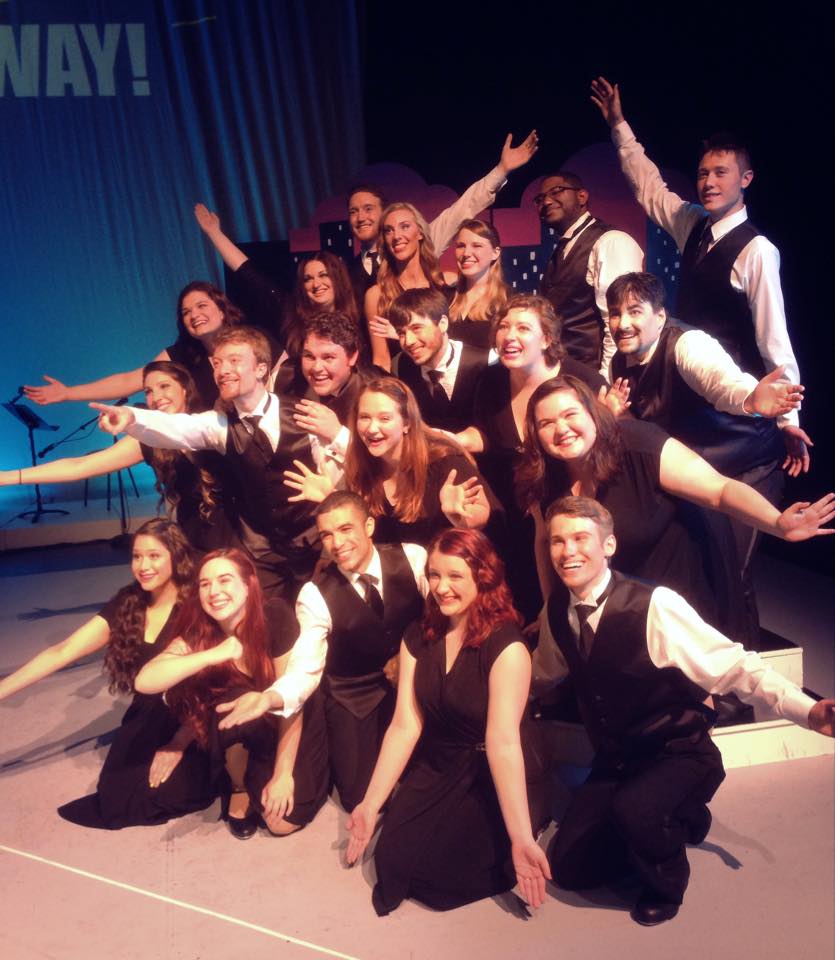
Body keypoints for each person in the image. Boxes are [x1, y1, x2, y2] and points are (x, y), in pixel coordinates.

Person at [533, 496, 835, 925]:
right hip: (618, 759)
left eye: (581, 538)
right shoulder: (556, 613)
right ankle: (674, 815)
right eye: (557, 541)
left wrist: (808, 711)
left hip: (677, 751)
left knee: (635, 813)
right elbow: (543, 672)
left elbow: (736, 667)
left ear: (609, 545)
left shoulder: (655, 605)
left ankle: (668, 879)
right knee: (570, 869)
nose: (568, 551)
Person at [590, 76, 811, 474]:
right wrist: (619, 126)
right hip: (683, 385)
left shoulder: (757, 250)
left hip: (732, 407)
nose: (709, 182)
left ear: (745, 179)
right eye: (703, 173)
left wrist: (787, 419)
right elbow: (649, 188)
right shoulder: (693, 224)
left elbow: (774, 339)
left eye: (721, 173)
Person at [516, 376, 834, 635]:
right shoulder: (545, 479)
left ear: (592, 414)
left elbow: (719, 489)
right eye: (546, 423)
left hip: (682, 613)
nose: (561, 429)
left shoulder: (638, 445)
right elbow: (544, 543)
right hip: (615, 618)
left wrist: (777, 523)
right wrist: (551, 612)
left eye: (570, 415)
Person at [345, 528, 551, 915]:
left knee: (438, 878)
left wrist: (520, 837)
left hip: (495, 767)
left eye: (455, 576)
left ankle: (533, 821)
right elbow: (405, 725)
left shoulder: (508, 647)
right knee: (393, 863)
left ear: (482, 577)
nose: (441, 587)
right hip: (441, 760)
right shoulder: (417, 636)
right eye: (435, 575)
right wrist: (371, 804)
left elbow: (504, 743)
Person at [606, 271, 803, 644]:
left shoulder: (688, 345)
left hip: (745, 465)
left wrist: (751, 398)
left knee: (731, 572)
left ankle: (743, 664)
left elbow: (722, 383)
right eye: (615, 313)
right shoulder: (620, 362)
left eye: (634, 311)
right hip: (699, 472)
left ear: (660, 315)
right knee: (698, 571)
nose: (623, 323)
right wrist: (618, 415)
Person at [91, 326, 343, 601]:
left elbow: (341, 473)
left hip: (313, 543)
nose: (223, 370)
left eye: (234, 360)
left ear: (261, 369)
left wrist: (331, 476)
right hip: (262, 550)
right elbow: (178, 427)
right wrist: (130, 417)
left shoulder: (304, 415)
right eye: (218, 363)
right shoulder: (220, 425)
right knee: (259, 618)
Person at [214, 491, 428, 813]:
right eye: (327, 535)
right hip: (354, 695)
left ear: (369, 526)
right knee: (357, 796)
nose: (337, 543)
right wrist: (270, 697)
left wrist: (411, 657)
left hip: (412, 679)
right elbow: (305, 666)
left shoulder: (413, 558)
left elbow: (439, 620)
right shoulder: (314, 594)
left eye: (345, 529)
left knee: (428, 770)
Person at [0, 519, 216, 829]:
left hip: (197, 713)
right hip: (150, 712)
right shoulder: (128, 603)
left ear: (176, 557)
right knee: (116, 798)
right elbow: (63, 651)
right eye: (137, 556)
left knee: (168, 793)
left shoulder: (197, 605)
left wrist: (179, 742)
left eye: (154, 556)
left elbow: (213, 684)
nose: (143, 566)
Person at [134, 548, 329, 839]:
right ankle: (239, 785)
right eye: (205, 584)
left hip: (291, 720)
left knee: (281, 823)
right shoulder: (203, 631)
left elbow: (293, 698)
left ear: (248, 585)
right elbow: (145, 681)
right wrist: (213, 654)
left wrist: (283, 775)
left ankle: (274, 771)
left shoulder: (274, 616)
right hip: (245, 731)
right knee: (230, 701)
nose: (214, 591)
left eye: (224, 580)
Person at [459, 294, 607, 621]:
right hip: (514, 516)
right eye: (503, 327)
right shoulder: (491, 380)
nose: (509, 335)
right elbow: (486, 434)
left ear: (547, 339)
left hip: (567, 513)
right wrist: (453, 440)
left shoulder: (583, 381)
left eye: (523, 328)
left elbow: (605, 443)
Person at [2, 362, 235, 552]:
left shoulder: (210, 425)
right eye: (148, 391)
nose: (156, 397)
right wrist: (9, 477)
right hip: (195, 540)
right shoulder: (148, 439)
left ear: (185, 389)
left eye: (164, 386)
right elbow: (79, 466)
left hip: (235, 536)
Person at [365, 132, 539, 368]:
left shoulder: (445, 284)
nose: (397, 236)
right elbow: (381, 359)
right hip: (407, 379)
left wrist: (501, 171)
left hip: (453, 379)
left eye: (405, 226)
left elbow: (461, 211)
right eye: (388, 230)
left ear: (420, 233)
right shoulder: (378, 294)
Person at [290, 377, 492, 547]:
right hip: (400, 577)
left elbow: (483, 519)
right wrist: (332, 497)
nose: (371, 428)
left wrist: (459, 518)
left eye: (384, 418)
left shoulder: (446, 461)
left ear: (406, 423)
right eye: (365, 417)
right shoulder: (363, 470)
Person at [346, 131, 538, 306]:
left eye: (368, 209)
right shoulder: (347, 271)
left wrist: (501, 170)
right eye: (353, 211)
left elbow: (462, 209)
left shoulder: (420, 246)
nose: (361, 217)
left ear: (384, 212)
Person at [24, 281, 250, 413]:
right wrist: (68, 393)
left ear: (222, 310)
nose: (194, 315)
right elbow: (128, 381)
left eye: (202, 306)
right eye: (186, 312)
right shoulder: (181, 355)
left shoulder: (252, 342)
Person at [195, 201, 360, 358]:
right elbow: (249, 273)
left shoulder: (357, 314)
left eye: (323, 275)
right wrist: (214, 233)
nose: (316, 284)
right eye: (308, 279)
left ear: (337, 279)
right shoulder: (291, 314)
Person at [535, 170, 643, 377]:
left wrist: (607, 381)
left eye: (556, 191)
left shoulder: (611, 242)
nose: (546, 201)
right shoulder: (561, 249)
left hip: (593, 377)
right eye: (540, 199)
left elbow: (620, 323)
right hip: (564, 374)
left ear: (582, 196)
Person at [390, 287, 491, 434]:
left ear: (443, 323)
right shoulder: (401, 366)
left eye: (416, 328)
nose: (409, 341)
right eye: (401, 333)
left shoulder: (484, 364)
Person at [447, 219, 510, 349]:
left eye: (476, 246)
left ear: (495, 253)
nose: (466, 253)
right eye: (461, 246)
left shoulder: (509, 302)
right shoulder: (444, 298)